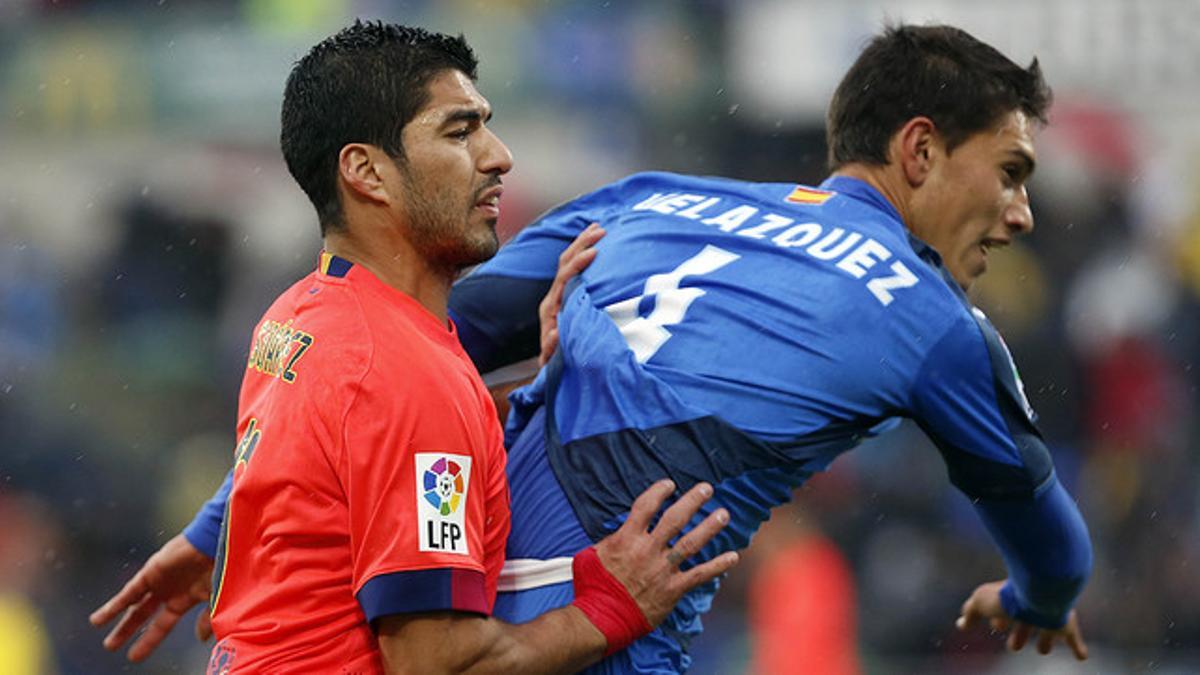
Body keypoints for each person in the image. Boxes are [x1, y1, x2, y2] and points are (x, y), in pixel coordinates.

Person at [95, 22, 1094, 673]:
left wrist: (216, 526)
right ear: (919, 152)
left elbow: (437, 336)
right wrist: (1036, 597)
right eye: (1009, 172)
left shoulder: (655, 196)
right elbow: (1053, 537)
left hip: (464, 569)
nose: (1020, 212)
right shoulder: (937, 325)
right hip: (586, 607)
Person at [91, 21, 737, 673]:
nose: (498, 155)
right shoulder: (404, 372)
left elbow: (370, 446)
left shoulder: (299, 316)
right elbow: (440, 663)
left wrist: (543, 386)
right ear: (366, 172)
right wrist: (611, 605)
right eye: (460, 132)